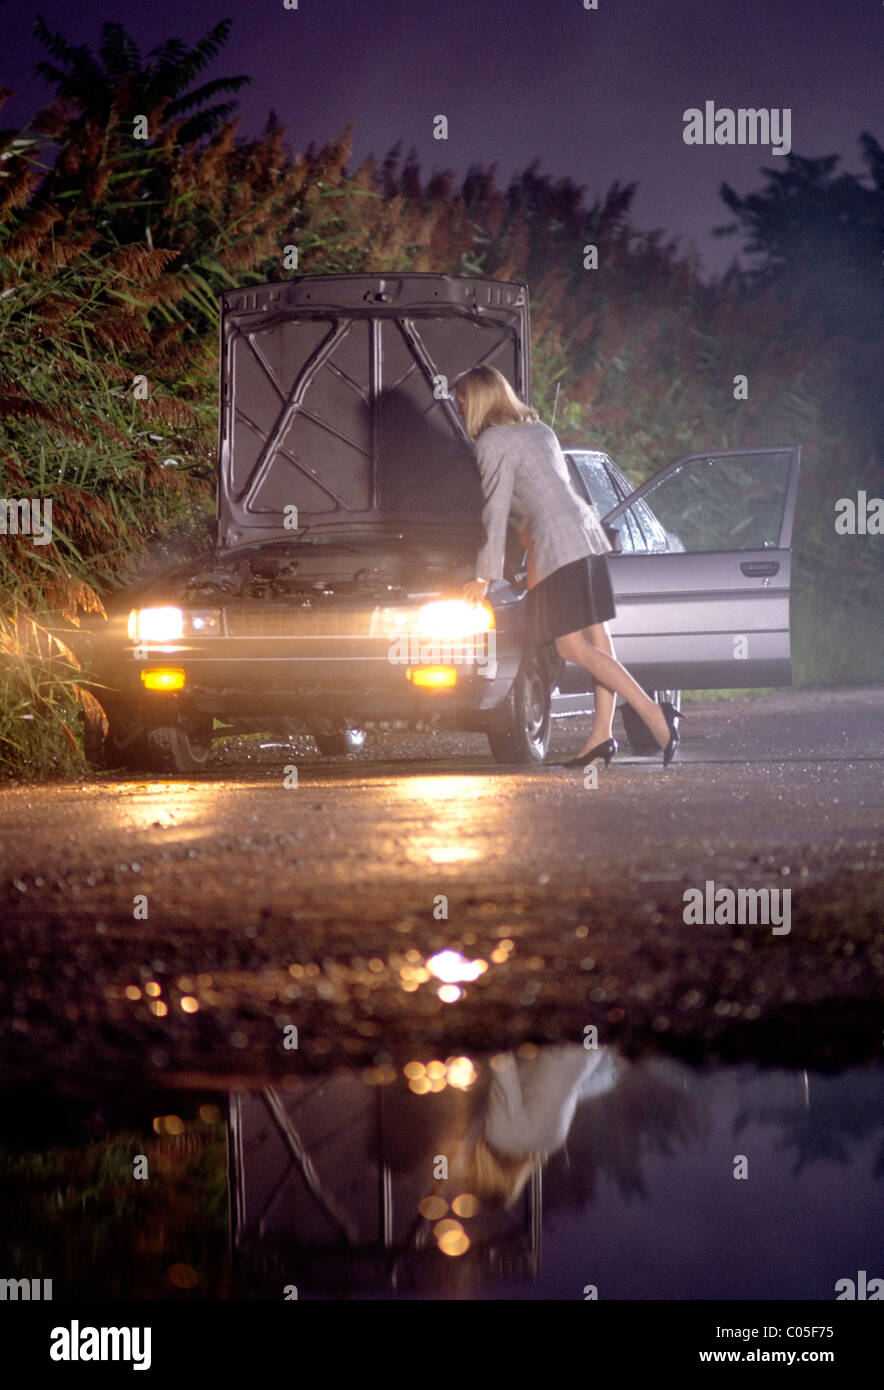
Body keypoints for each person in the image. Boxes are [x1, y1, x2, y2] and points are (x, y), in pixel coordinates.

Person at [452, 365, 682, 768]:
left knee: (570, 645)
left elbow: (496, 509)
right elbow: (539, 499)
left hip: (558, 545)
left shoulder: (491, 442)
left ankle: (651, 713)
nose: (458, 407)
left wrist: (482, 576)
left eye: (462, 399)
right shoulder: (540, 430)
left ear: (479, 400)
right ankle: (601, 735)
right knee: (598, 637)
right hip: (586, 533)